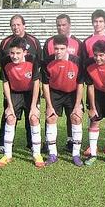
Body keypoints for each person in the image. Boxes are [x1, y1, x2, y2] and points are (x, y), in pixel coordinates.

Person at [0, 37, 43, 168]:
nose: (14, 56)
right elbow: (5, 84)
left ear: (24, 52)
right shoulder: (5, 62)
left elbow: (36, 84)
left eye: (18, 53)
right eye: (12, 53)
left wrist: (34, 106)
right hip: (14, 93)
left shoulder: (33, 60)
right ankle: (7, 155)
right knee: (10, 118)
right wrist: (9, 106)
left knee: (34, 118)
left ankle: (37, 154)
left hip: (30, 93)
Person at [42, 14, 83, 153]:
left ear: (69, 25)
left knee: (72, 115)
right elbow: (45, 65)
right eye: (58, 25)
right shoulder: (49, 42)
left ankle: (71, 141)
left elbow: (80, 67)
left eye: (64, 24)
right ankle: (48, 142)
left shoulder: (78, 43)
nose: (61, 27)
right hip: (54, 87)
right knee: (50, 114)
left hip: (72, 87)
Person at [81, 9, 105, 157]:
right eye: (95, 21)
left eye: (101, 21)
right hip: (95, 83)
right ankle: (92, 147)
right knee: (94, 117)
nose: (98, 24)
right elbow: (86, 64)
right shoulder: (87, 42)